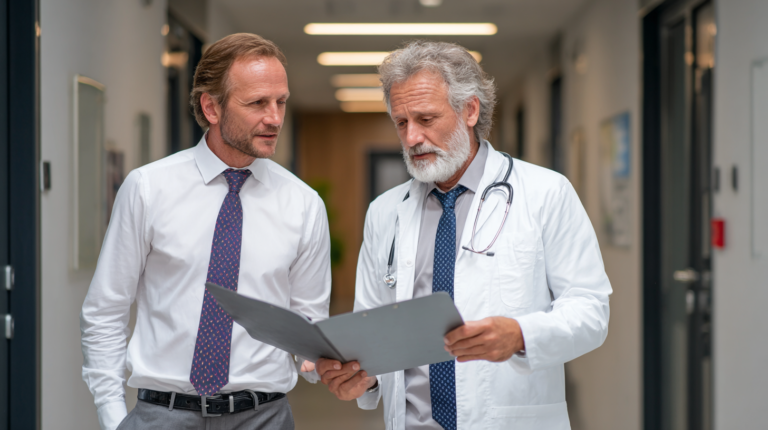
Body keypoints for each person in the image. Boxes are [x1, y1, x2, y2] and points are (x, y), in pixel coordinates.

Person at [316, 40, 612, 429]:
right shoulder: (385, 212)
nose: (411, 139)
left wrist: (521, 334)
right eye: (401, 122)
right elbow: (371, 332)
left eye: (425, 119)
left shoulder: (545, 194)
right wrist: (358, 376)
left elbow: (591, 311)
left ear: (470, 110)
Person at [80, 33, 331, 430]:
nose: (275, 117)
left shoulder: (303, 205)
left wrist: (330, 362)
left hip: (264, 417)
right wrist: (112, 416)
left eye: (280, 101)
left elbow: (309, 330)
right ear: (211, 107)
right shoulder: (148, 189)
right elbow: (105, 311)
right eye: (257, 103)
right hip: (162, 415)